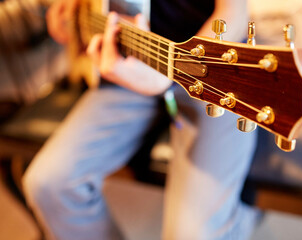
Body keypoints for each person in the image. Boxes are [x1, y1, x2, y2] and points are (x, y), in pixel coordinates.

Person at [22, 0, 260, 239]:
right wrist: (71, 9)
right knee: (48, 183)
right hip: (126, 68)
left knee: (192, 235)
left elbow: (234, 12)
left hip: (207, 70)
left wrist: (169, 77)